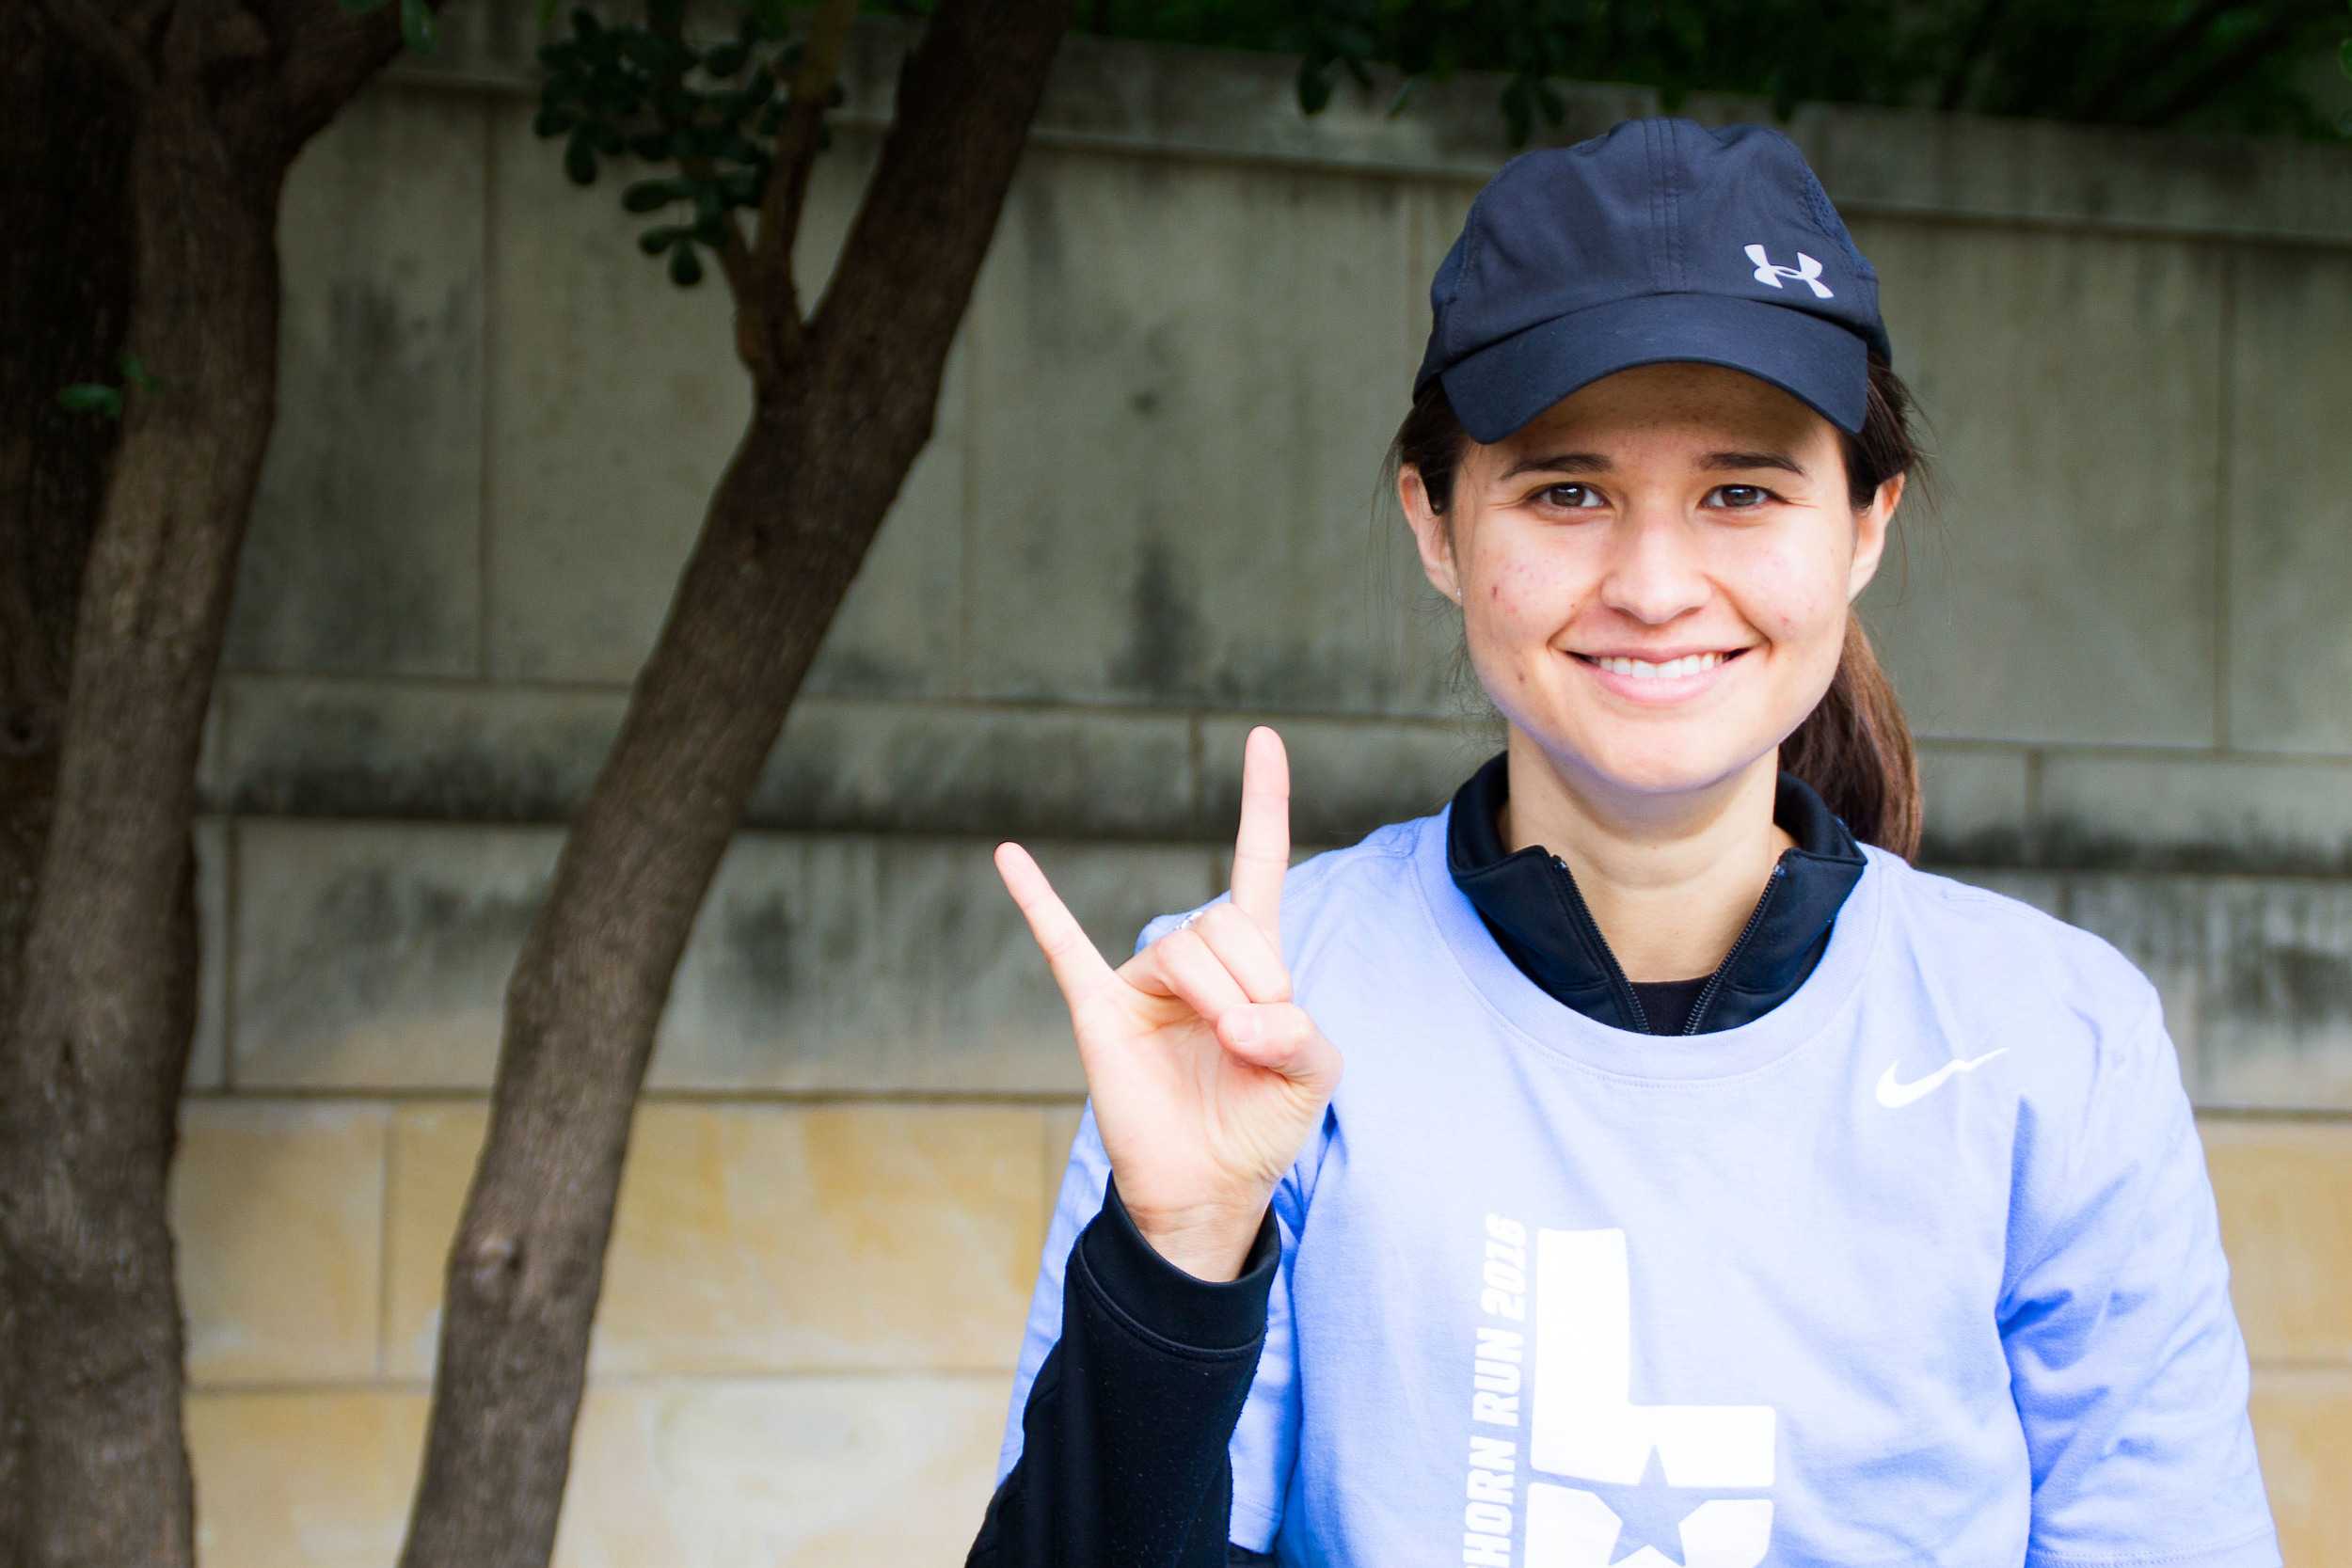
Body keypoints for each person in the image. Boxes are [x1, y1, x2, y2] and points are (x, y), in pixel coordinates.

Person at [966, 116, 2280, 1568]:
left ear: (1863, 525)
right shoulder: (1257, 1012)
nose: (1656, 585)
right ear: (1437, 524)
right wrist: (1175, 1263)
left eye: (1743, 491)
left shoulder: (2050, 1037)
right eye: (1567, 489)